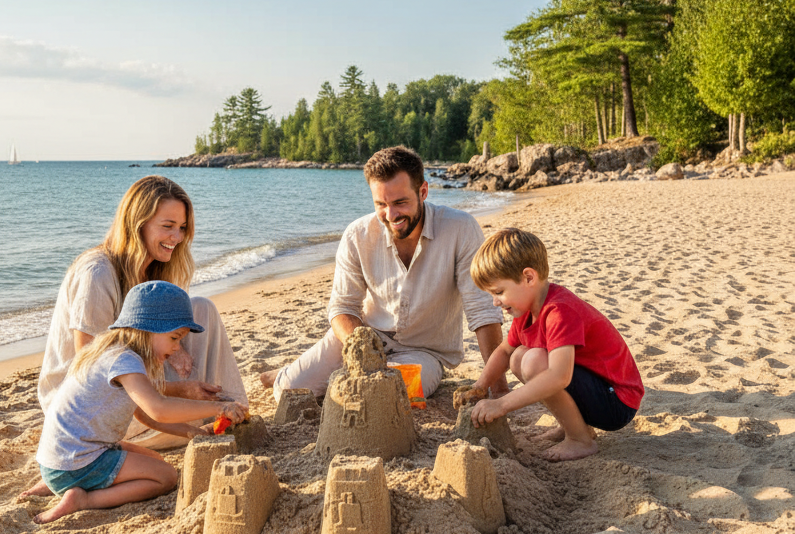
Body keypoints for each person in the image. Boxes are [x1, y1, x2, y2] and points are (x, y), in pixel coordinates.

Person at [261, 145, 504, 400]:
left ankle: (311, 371)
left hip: (424, 353)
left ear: (423, 191)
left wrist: (499, 390)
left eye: (400, 202)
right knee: (289, 392)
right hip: (362, 337)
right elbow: (342, 307)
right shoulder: (357, 235)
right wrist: (364, 351)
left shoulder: (460, 228)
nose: (391, 215)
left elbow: (483, 311)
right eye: (381, 204)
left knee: (385, 396)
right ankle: (283, 374)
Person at [38, 175, 247, 449]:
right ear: (138, 225)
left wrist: (178, 346)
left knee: (201, 309)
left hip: (133, 383)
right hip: (88, 407)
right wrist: (175, 389)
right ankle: (214, 418)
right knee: (180, 408)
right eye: (168, 226)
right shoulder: (97, 272)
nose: (177, 237)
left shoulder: (153, 269)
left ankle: (232, 411)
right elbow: (90, 369)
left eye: (182, 227)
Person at [26, 281, 247, 524]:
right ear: (146, 329)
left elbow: (143, 415)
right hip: (78, 462)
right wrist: (219, 408)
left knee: (156, 460)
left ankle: (56, 483)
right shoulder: (125, 361)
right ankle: (84, 500)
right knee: (166, 476)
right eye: (174, 338)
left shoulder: (111, 351)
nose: (176, 348)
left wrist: (192, 432)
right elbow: (158, 409)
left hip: (57, 460)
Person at [468, 227, 644, 461]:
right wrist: (481, 386)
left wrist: (502, 404)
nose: (494, 302)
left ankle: (580, 439)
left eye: (499, 291)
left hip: (617, 401)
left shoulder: (559, 311)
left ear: (529, 277)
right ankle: (574, 424)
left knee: (533, 362)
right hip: (593, 389)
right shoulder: (525, 311)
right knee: (519, 356)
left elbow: (559, 377)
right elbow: (504, 351)